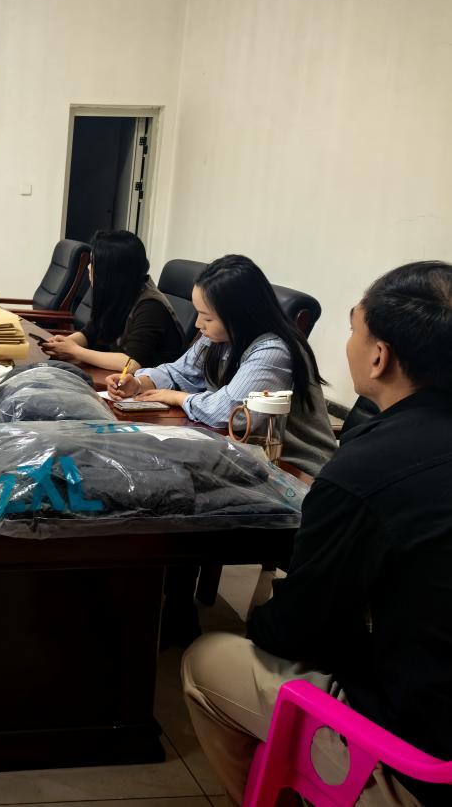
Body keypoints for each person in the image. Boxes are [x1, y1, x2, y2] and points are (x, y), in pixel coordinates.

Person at [182, 261, 452, 806]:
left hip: (421, 759)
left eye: (354, 330)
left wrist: (258, 621)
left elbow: (296, 631)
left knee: (207, 659)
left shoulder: (365, 470)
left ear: (379, 356)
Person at [106, 254, 335, 477]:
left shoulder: (274, 350)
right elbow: (179, 372)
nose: (198, 324)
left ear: (239, 314)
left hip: (293, 470)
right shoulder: (220, 337)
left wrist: (176, 397)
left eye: (207, 317)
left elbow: (229, 411)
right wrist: (139, 383)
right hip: (246, 452)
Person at [41, 230, 186, 371]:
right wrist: (65, 343)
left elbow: (131, 364)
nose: (88, 267)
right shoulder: (120, 291)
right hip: (117, 378)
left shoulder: (151, 307)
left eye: (93, 262)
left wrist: (75, 351)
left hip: (145, 383)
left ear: (110, 272)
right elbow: (92, 332)